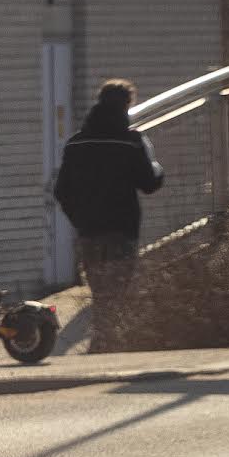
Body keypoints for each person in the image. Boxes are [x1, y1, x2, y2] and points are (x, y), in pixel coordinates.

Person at [50, 78, 164, 349]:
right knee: (119, 289)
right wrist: (156, 166)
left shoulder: (76, 143)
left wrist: (78, 219)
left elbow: (61, 191)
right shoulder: (131, 141)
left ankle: (102, 342)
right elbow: (149, 183)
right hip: (122, 227)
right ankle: (110, 343)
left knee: (100, 290)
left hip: (88, 230)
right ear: (127, 104)